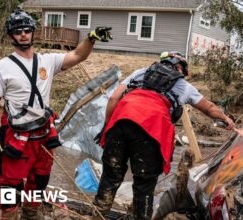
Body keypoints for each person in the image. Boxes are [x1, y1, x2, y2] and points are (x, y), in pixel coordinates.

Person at [0, 9, 112, 219]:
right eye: (18, 31)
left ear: (33, 32)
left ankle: (31, 211)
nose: (23, 34)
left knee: (40, 177)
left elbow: (78, 55)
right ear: (11, 36)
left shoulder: (48, 61)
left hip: (43, 133)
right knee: (10, 182)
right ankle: (9, 215)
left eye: (27, 30)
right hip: (16, 134)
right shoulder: (2, 66)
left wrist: (91, 38)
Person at [93, 51, 235, 219]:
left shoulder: (140, 72)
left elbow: (113, 98)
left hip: (120, 122)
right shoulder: (183, 85)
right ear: (180, 67)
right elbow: (209, 108)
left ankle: (97, 215)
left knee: (110, 177)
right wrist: (226, 119)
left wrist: (107, 126)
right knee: (144, 185)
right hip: (151, 130)